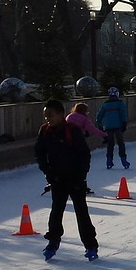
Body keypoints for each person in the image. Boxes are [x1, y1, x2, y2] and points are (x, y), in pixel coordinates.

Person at [34, 98, 99, 261]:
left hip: (75, 179)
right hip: (57, 179)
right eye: (45, 115)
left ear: (61, 114)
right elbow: (39, 153)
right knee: (56, 211)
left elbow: (84, 155)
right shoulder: (45, 131)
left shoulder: (73, 131)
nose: (48, 118)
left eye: (51, 115)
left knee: (81, 212)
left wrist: (80, 176)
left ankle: (91, 245)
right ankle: (53, 241)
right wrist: (48, 173)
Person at [96, 86, 129, 169]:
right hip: (118, 126)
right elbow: (123, 114)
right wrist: (124, 123)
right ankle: (123, 160)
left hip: (108, 127)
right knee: (120, 143)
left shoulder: (105, 105)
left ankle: (109, 161)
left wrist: (100, 126)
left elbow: (99, 116)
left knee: (110, 144)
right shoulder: (120, 103)